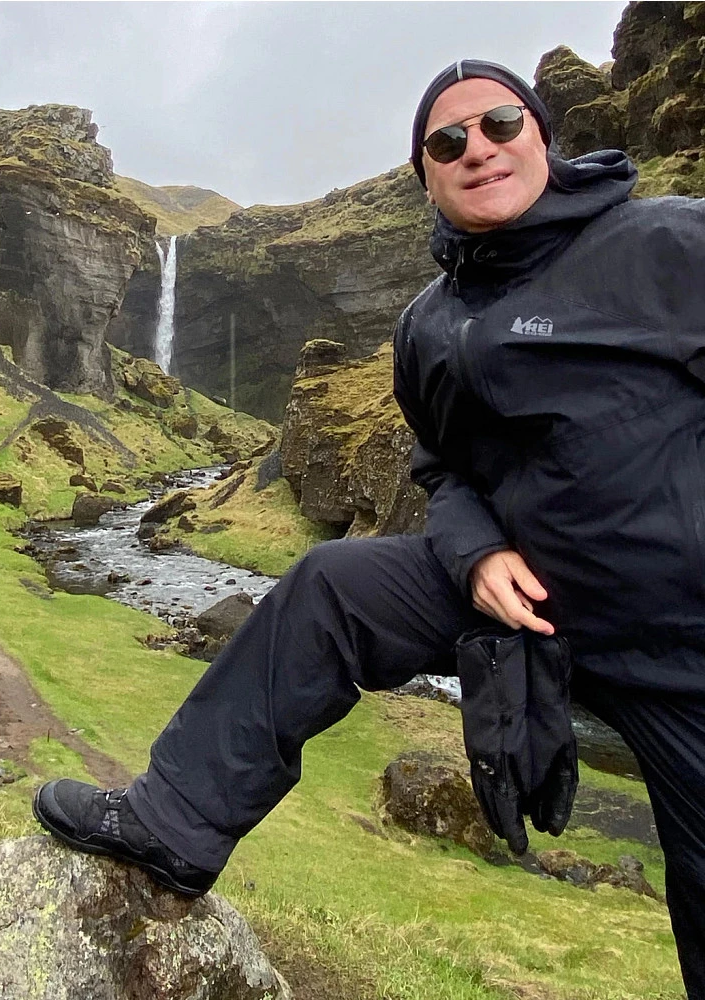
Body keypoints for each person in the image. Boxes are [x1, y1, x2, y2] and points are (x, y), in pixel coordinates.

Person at [34, 60, 705, 997]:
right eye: (447, 142)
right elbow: (442, 467)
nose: (478, 149)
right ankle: (173, 823)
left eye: (500, 123)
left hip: (682, 639)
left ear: (542, 133)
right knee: (329, 587)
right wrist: (474, 550)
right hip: (526, 604)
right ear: (426, 177)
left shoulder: (669, 243)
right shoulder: (429, 324)